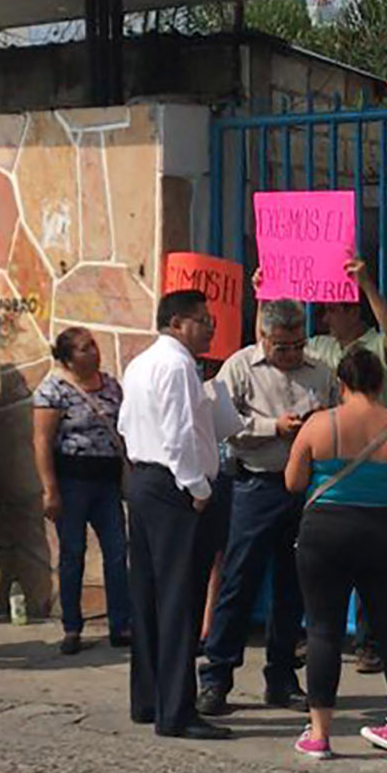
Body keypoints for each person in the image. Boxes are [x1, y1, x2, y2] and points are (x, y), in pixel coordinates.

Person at [198, 299, 334, 717]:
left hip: (302, 487)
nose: (291, 355)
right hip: (255, 483)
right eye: (282, 347)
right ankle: (217, 677)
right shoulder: (239, 368)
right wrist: (271, 427)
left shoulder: (320, 372)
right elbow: (221, 423)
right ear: (264, 338)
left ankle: (282, 677)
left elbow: (333, 416)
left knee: (293, 585)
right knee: (239, 581)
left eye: (297, 345)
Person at [282, 348, 387, 760]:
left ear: (341, 383)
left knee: (323, 630)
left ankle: (320, 734)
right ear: (380, 383)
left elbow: (293, 481)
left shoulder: (320, 424)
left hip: (326, 532)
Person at [119, 290, 232, 741]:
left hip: (145, 481)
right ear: (180, 322)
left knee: (147, 595)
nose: (210, 328)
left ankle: (148, 699)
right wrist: (198, 488)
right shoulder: (178, 364)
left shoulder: (141, 362)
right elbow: (179, 433)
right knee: (179, 601)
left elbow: (129, 424)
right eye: (205, 320)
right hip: (175, 488)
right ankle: (177, 710)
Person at [32, 327, 132, 655]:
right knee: (72, 553)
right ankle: (72, 626)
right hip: (72, 481)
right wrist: (50, 490)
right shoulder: (53, 391)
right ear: (67, 359)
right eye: (83, 349)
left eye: (93, 346)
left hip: (107, 483)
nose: (93, 352)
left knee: (117, 552)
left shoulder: (112, 386)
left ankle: (121, 623)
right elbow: (43, 441)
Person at [304, 257, 387, 374]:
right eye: (324, 311)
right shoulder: (319, 345)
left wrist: (366, 284)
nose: (325, 319)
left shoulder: (376, 345)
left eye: (332, 310)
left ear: (353, 312)